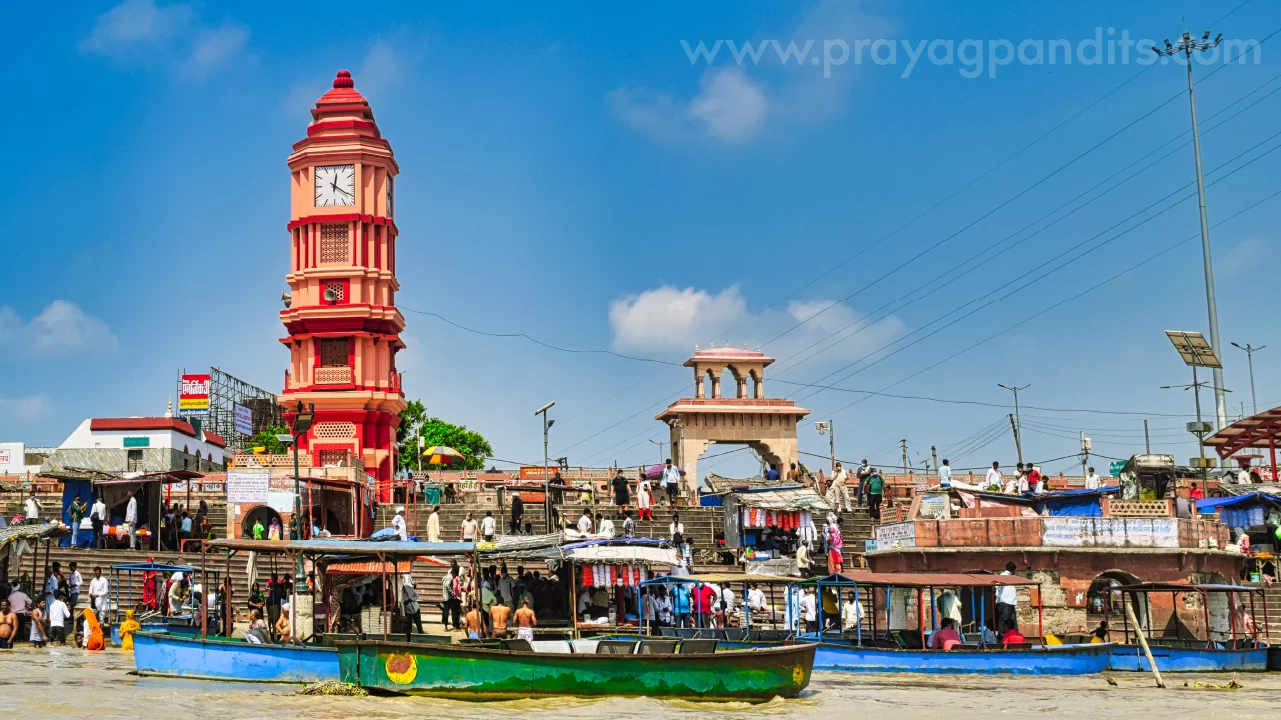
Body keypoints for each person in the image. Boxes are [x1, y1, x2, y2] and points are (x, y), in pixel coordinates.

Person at [996, 562, 1019, 634]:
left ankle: (1013, 634)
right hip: (1004, 601)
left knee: (1012, 621)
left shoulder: (1012, 577)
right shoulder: (1003, 575)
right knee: (1004, 620)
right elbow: (997, 587)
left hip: (1011, 602)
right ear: (1013, 570)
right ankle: (1001, 636)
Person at [441, 564, 462, 630]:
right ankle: (455, 627)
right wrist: (452, 593)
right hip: (449, 598)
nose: (455, 577)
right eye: (455, 575)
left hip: (445, 597)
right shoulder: (450, 577)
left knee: (445, 612)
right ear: (454, 573)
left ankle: (445, 627)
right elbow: (447, 585)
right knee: (454, 612)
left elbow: (443, 582)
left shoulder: (445, 576)